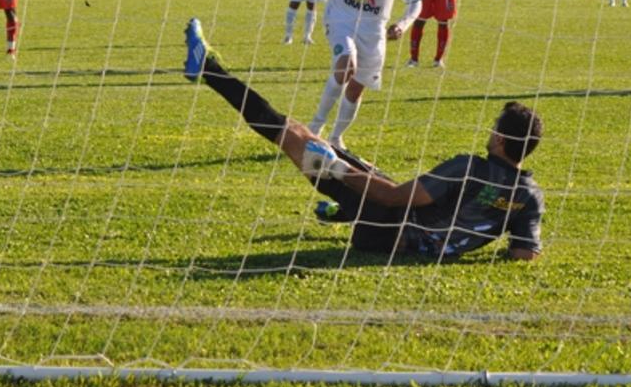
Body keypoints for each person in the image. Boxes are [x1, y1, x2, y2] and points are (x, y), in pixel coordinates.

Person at [181, 19, 545, 261]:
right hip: (405, 231)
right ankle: (344, 207)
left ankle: (209, 69)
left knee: (293, 135)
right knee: (342, 154)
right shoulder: (529, 195)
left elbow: (390, 196)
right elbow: (524, 253)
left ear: (499, 139)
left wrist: (338, 171)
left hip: (384, 231)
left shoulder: (468, 168)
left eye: (494, 128)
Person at [259, 0, 423, 151]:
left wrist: (403, 24)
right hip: (340, 18)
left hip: (374, 29)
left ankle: (336, 138)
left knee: (357, 88)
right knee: (347, 63)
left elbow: (415, 2)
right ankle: (315, 128)